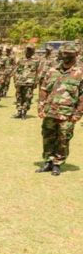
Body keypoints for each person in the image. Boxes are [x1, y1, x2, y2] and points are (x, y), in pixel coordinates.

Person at [36, 44, 83, 176]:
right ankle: (48, 161)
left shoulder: (80, 73)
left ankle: (57, 163)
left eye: (69, 53)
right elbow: (44, 90)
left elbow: (82, 95)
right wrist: (40, 107)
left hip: (67, 113)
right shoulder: (52, 70)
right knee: (47, 137)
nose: (65, 55)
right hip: (50, 111)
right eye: (63, 53)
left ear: (76, 55)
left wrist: (78, 113)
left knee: (63, 139)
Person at [13, 44, 40, 119]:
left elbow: (38, 72)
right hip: (20, 81)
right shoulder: (21, 60)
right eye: (27, 50)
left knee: (27, 97)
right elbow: (16, 71)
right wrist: (15, 80)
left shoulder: (36, 61)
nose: (28, 51)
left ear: (33, 51)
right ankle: (19, 111)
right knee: (19, 97)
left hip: (29, 82)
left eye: (30, 50)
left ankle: (24, 112)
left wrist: (36, 82)